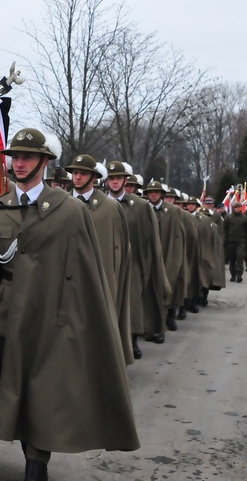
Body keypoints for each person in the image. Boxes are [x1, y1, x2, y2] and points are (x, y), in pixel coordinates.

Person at [0, 128, 139, 481]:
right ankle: (29, 457)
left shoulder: (68, 211)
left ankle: (36, 468)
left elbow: (86, 270)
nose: (19, 163)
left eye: (27, 157)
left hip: (51, 318)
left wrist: (80, 322)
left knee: (43, 395)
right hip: (6, 318)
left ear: (45, 162)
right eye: (14, 157)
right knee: (14, 393)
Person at [66, 154, 133, 364]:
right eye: (75, 173)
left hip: (100, 274)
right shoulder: (61, 203)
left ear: (94, 177)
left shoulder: (110, 208)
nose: (77, 177)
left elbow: (120, 249)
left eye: (83, 173)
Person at [105, 161, 169, 360]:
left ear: (125, 180)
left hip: (133, 262)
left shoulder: (140, 206)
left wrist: (149, 265)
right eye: (111, 178)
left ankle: (131, 340)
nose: (115, 182)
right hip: (106, 261)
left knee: (131, 302)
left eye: (118, 178)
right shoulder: (98, 204)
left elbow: (151, 239)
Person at [144, 181, 186, 341]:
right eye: (150, 192)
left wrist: (173, 261)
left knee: (161, 294)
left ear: (161, 194)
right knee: (147, 296)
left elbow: (177, 238)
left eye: (156, 192)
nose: (153, 194)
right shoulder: (144, 209)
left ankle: (160, 329)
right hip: (147, 258)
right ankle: (148, 328)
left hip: (166, 257)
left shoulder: (173, 211)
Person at [223, 201, 247, 282]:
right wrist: (224, 241)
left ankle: (239, 275)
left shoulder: (245, 218)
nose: (238, 209)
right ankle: (233, 275)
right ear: (233, 208)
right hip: (231, 241)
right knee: (232, 260)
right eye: (236, 207)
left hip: (241, 241)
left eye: (239, 207)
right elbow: (224, 229)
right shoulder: (228, 218)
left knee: (240, 258)